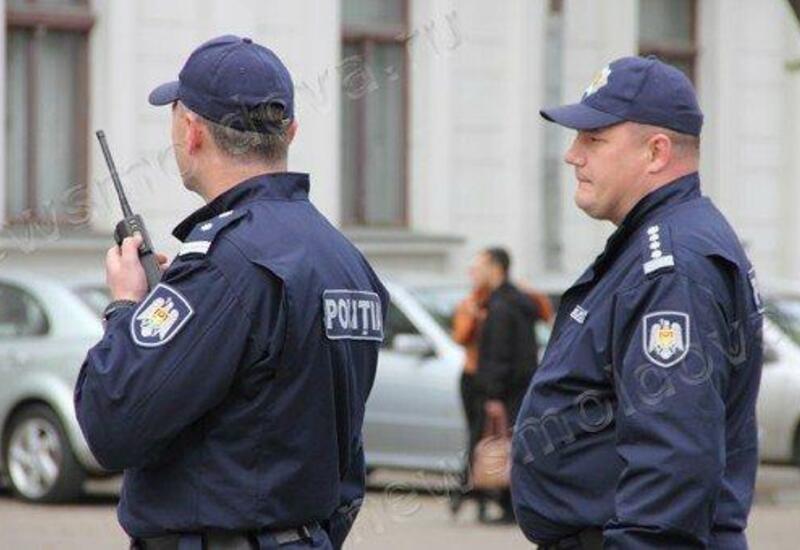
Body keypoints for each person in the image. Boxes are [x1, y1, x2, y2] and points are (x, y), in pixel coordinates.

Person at [74, 35, 388, 550]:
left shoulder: (222, 265)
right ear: (290, 131)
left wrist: (126, 307)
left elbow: (110, 424)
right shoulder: (345, 260)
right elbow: (345, 461)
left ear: (192, 131)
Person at [511, 56, 764, 550]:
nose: (572, 155)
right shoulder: (659, 244)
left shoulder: (672, 266)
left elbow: (673, 457)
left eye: (594, 139)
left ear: (655, 152)